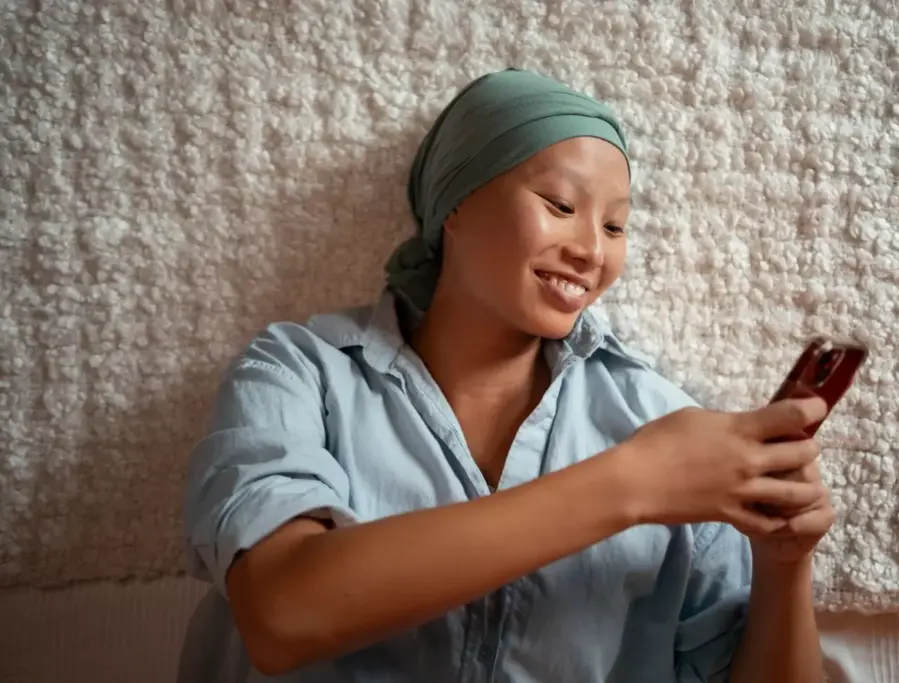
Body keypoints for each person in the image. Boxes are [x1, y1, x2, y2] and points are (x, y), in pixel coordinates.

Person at [180, 68, 836, 683]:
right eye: (560, 204)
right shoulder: (296, 372)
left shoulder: (668, 423)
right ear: (456, 204)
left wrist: (784, 567)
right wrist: (633, 482)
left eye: (615, 225)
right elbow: (281, 612)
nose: (593, 250)